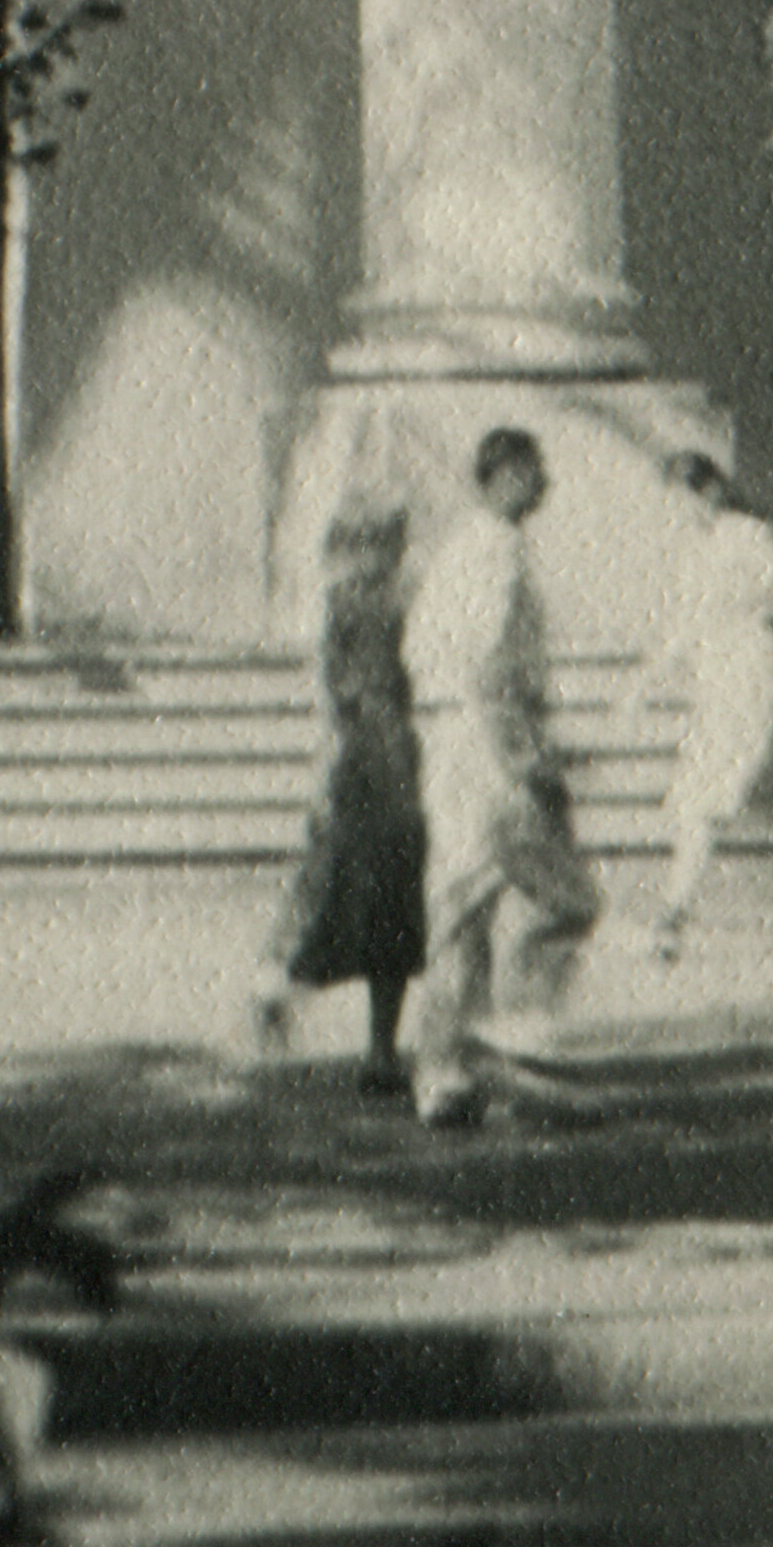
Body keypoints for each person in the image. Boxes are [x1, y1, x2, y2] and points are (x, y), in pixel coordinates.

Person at [401, 420, 598, 1129]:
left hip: (450, 744)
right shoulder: (498, 555)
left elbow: (423, 650)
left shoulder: (458, 550)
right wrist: (526, 756)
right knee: (567, 900)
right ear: (507, 475)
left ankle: (443, 1073)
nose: (547, 482)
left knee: (461, 912)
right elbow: (488, 668)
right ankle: (513, 1044)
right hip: (489, 749)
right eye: (535, 469)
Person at [248, 496, 428, 1092]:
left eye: (391, 544)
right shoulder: (354, 607)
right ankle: (279, 994)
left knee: (388, 906)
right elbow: (336, 695)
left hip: (392, 763)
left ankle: (378, 1049)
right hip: (365, 768)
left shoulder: (385, 603)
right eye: (375, 543)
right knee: (340, 893)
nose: (386, 557)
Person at [637, 438, 773, 957]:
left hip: (752, 676)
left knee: (704, 799)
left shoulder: (749, 535)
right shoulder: (690, 551)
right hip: (714, 680)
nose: (677, 509)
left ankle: (672, 916)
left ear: (710, 490)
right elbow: (686, 629)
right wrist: (645, 682)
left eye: (683, 496)